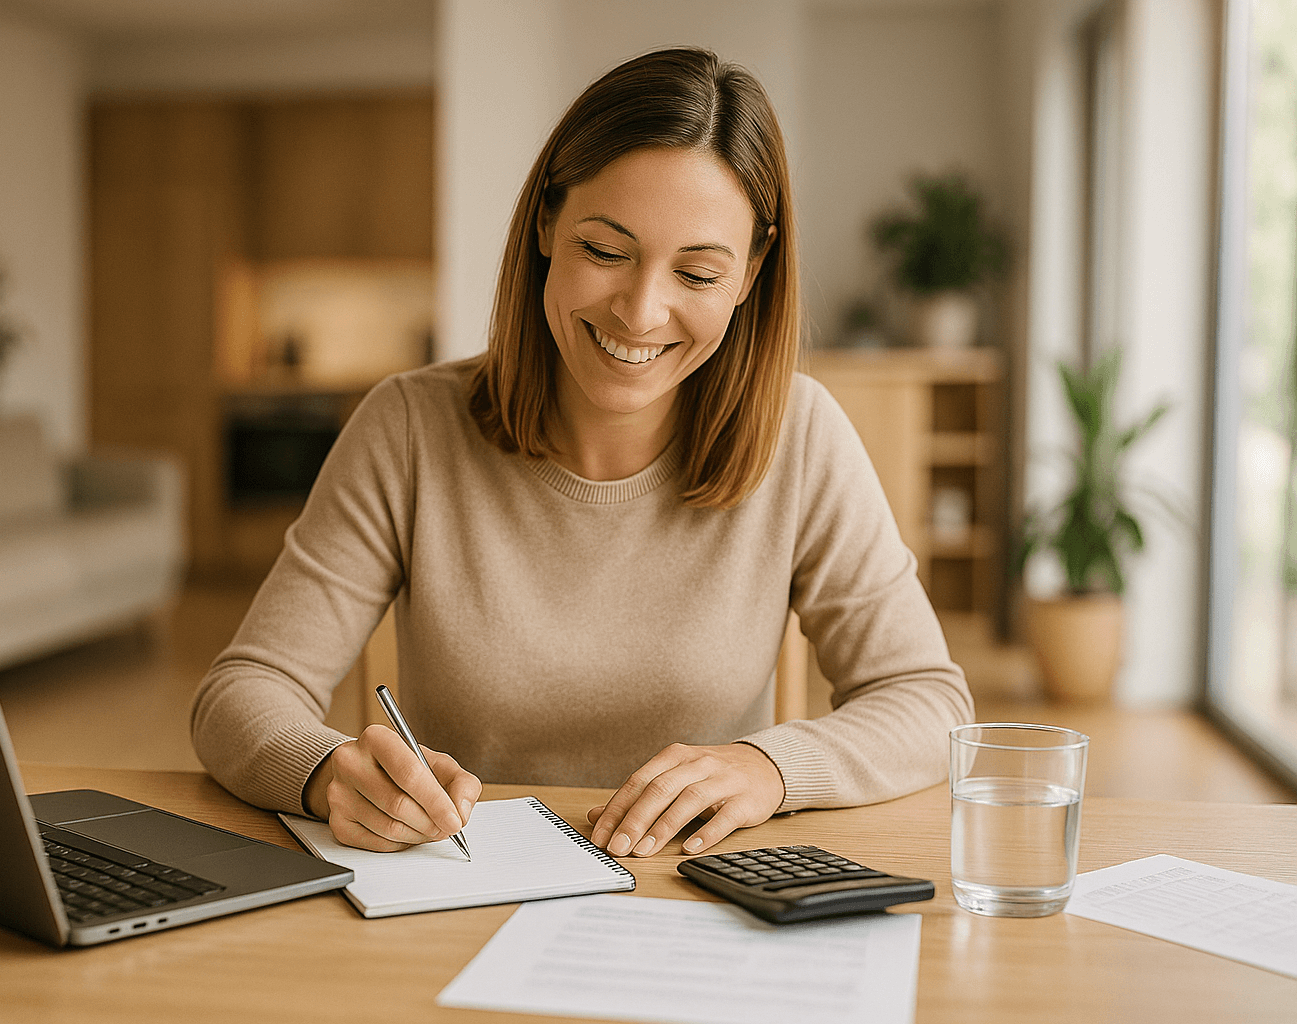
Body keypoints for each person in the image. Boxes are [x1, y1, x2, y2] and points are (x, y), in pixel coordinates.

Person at [191, 47, 972, 860]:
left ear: (751, 273)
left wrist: (771, 767)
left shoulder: (801, 436)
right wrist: (326, 772)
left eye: (698, 273)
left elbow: (928, 700)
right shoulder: (410, 429)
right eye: (605, 252)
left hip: (697, 898)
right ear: (545, 226)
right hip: (458, 892)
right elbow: (241, 694)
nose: (640, 312)